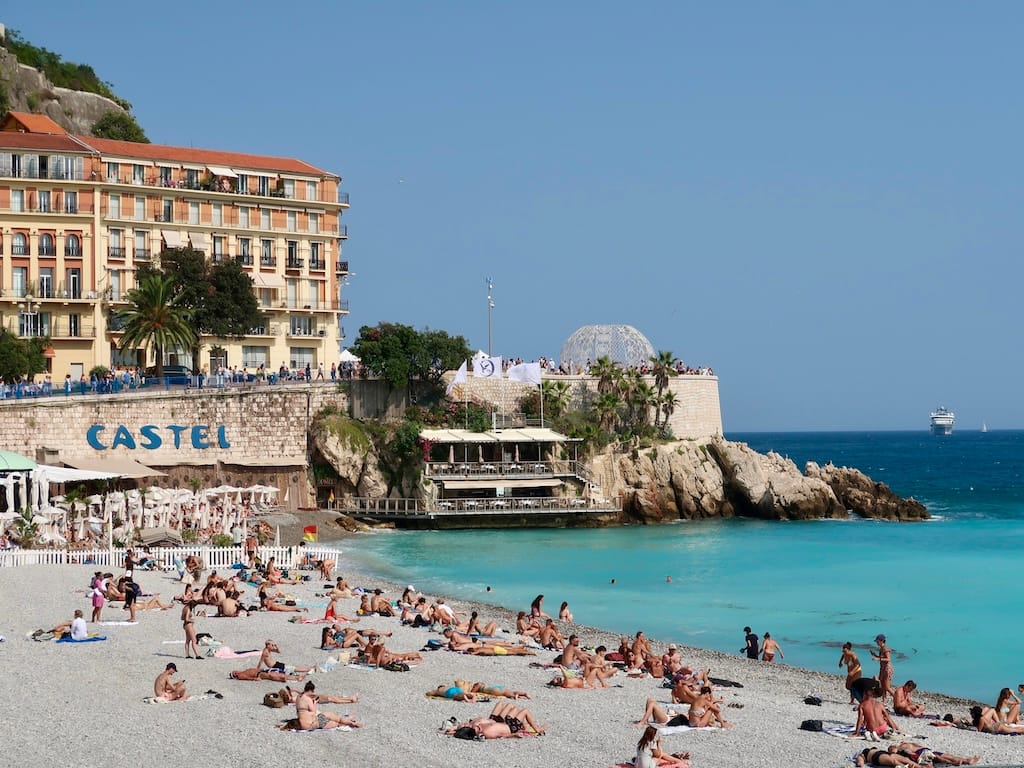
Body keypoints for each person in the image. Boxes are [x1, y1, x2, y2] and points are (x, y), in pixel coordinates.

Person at [295, 681, 361, 730]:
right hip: (312, 723)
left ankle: (348, 720)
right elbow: (314, 711)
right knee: (337, 723)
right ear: (311, 690)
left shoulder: (298, 697)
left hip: (304, 723)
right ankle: (352, 723)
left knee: (331, 716)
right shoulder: (308, 699)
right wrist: (315, 703)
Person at [893, 741, 980, 766]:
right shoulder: (902, 747)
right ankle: (953, 763)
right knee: (939, 758)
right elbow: (895, 751)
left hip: (927, 750)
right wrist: (914, 755)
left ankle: (967, 760)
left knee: (949, 756)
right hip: (921, 753)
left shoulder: (908, 743)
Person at [871, 634, 895, 704]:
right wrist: (875, 655)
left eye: (877, 641)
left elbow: (888, 659)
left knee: (887, 687)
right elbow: (882, 657)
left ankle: (896, 697)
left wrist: (877, 659)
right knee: (883, 686)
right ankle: (884, 700)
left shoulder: (885, 649)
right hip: (882, 668)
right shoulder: (881, 648)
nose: (876, 643)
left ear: (882, 641)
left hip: (887, 669)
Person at [855, 746, 920, 767]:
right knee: (894, 762)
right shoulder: (863, 754)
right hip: (876, 756)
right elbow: (860, 761)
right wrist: (860, 764)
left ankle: (921, 767)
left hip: (884, 753)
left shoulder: (871, 750)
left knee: (906, 759)